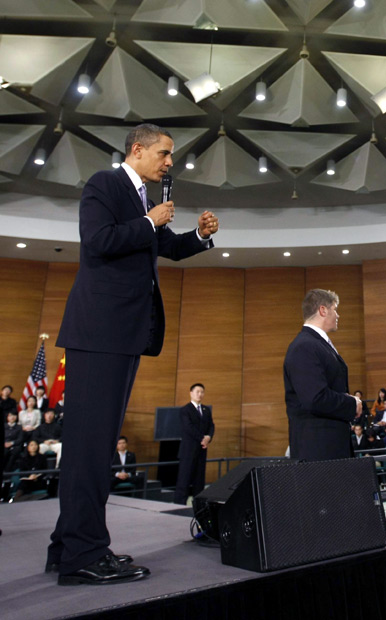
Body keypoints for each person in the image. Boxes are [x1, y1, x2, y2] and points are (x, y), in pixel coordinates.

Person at [48, 123, 217, 585]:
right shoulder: (105, 184)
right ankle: (84, 554)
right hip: (99, 334)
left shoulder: (144, 200)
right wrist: (149, 221)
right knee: (89, 447)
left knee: (93, 444)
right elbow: (97, 240)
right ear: (137, 150)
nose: (170, 163)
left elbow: (167, 246)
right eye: (164, 153)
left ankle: (66, 545)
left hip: (121, 337)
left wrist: (198, 236)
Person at [283, 289, 362, 461]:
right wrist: (352, 403)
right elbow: (315, 398)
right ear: (323, 310)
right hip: (319, 452)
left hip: (328, 449)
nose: (338, 315)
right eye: (335, 309)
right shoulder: (305, 346)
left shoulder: (315, 344)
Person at [173, 383, 214, 505]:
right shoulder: (185, 410)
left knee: (199, 481)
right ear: (191, 393)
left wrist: (208, 437)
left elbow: (211, 426)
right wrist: (202, 438)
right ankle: (179, 506)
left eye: (202, 392)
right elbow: (188, 427)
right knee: (184, 481)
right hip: (188, 451)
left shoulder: (206, 410)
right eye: (197, 392)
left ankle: (198, 507)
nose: (200, 394)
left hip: (201, 451)